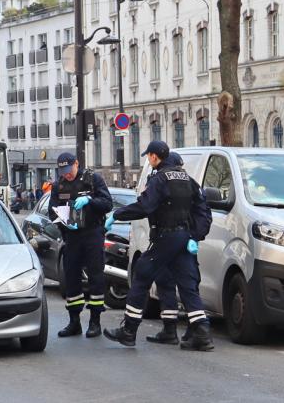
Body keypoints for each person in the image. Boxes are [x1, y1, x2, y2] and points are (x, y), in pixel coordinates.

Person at [103, 141, 214, 351]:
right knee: (188, 285)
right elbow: (204, 212)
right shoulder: (189, 181)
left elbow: (145, 206)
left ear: (155, 157)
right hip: (184, 238)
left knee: (142, 275)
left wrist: (117, 215)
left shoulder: (159, 180)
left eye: (148, 156)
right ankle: (202, 333)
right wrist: (195, 236)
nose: (147, 159)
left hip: (166, 237)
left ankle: (128, 330)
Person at [144, 152, 212, 347]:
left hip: (177, 240)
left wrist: (195, 236)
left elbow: (203, 214)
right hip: (171, 240)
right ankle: (170, 329)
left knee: (187, 285)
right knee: (167, 284)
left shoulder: (186, 185)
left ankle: (197, 331)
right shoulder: (170, 182)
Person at [49, 153, 113, 338]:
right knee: (71, 277)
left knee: (95, 276)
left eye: (69, 170)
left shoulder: (92, 179)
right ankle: (74, 321)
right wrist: (63, 222)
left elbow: (107, 203)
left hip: (92, 233)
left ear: (76, 164)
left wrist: (90, 200)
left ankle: (95, 322)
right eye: (63, 172)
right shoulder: (58, 185)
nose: (67, 175)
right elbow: (52, 211)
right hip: (72, 235)